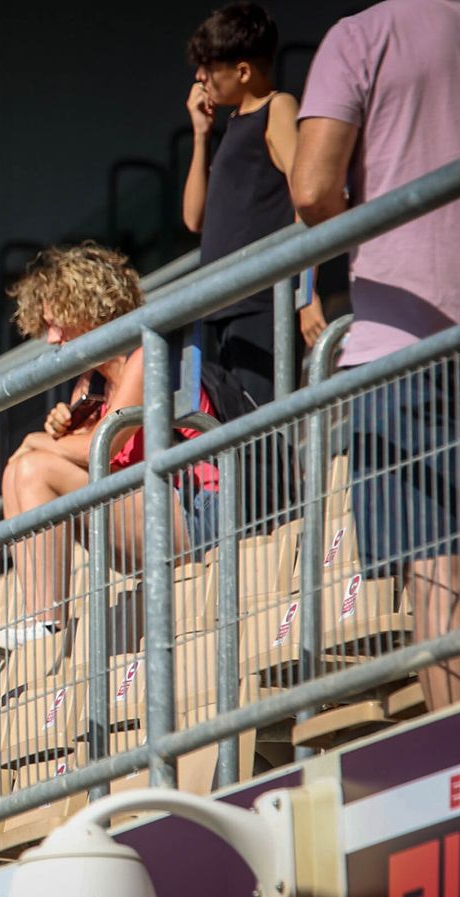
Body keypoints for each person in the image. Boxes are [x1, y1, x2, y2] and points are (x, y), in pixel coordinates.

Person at [291, 0, 460, 711]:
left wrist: (361, 228)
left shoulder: (362, 38)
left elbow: (310, 188)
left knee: (437, 564)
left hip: (404, 343)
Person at [1, 245, 217, 632]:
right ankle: (39, 620)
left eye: (56, 325)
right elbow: (84, 456)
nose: (52, 339)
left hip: (197, 512)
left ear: (86, 308)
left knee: (33, 467)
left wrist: (40, 441)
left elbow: (104, 447)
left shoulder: (144, 356)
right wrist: (61, 429)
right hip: (147, 511)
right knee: (19, 470)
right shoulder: (92, 382)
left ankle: (48, 623)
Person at [182, 2, 326, 404]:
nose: (200, 77)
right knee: (234, 430)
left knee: (259, 429)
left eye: (209, 67)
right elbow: (194, 218)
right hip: (225, 304)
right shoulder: (231, 126)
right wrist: (200, 134)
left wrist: (307, 294)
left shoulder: (277, 108)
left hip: (261, 301)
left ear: (243, 71)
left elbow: (307, 201)